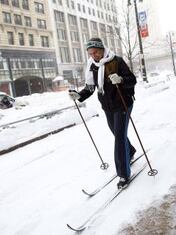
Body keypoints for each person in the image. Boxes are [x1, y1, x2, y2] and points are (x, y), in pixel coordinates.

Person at [69, 38, 137, 189]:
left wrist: (120, 79)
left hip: (123, 104)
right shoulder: (92, 66)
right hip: (108, 107)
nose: (94, 56)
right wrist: (79, 96)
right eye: (91, 53)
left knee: (119, 138)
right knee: (117, 133)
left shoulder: (116, 61)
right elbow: (91, 88)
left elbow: (132, 79)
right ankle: (130, 151)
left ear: (102, 49)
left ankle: (124, 174)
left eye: (96, 52)